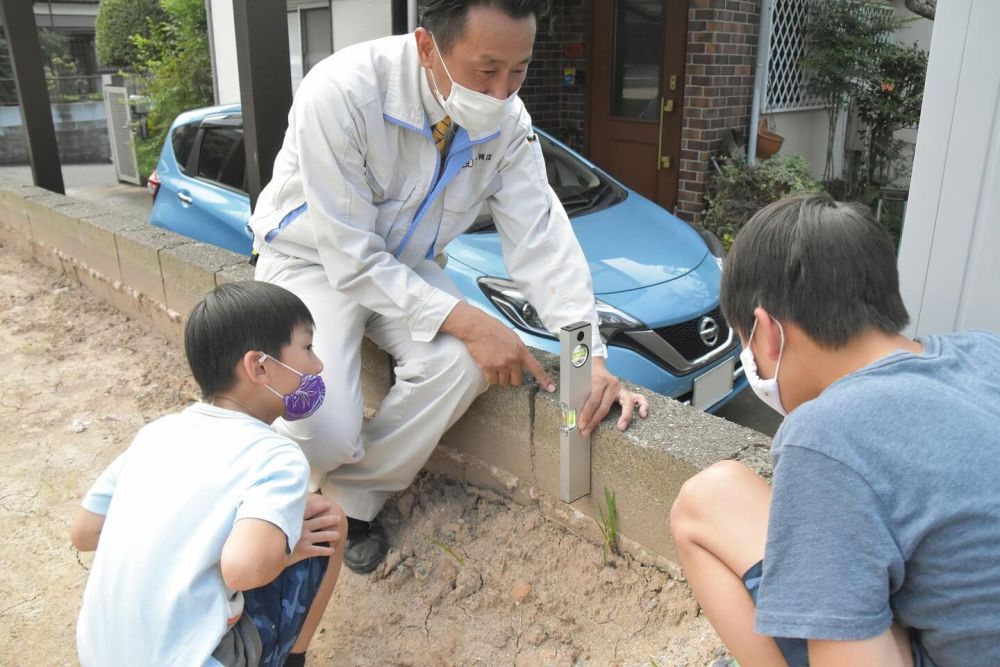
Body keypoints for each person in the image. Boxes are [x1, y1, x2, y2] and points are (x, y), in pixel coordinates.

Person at [249, 0, 647, 574]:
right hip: (312, 259)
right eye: (486, 70)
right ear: (427, 46)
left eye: (519, 70)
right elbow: (351, 256)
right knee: (323, 432)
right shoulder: (341, 92)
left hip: (406, 264)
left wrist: (589, 357)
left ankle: (350, 503)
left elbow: (543, 241)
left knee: (463, 367)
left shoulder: (509, 121)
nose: (502, 91)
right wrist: (468, 319)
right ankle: (273, 499)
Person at [670, 194, 1000, 666]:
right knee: (714, 495)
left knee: (698, 510)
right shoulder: (985, 352)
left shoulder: (825, 434)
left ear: (766, 332)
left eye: (748, 346)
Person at [71, 281, 345, 667]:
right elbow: (244, 569)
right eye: (307, 348)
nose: (317, 366)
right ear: (259, 365)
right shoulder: (276, 455)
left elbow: (83, 533)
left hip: (98, 654)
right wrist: (288, 552)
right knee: (327, 518)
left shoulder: (157, 433)